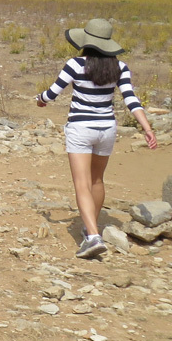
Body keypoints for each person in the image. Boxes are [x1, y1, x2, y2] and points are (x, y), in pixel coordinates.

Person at [36, 18, 157, 259]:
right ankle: (90, 227)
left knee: (81, 184)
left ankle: (92, 236)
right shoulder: (119, 67)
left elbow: (52, 93)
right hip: (107, 130)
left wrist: (39, 99)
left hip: (81, 128)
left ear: (86, 42)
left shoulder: (75, 64)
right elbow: (130, 99)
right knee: (97, 180)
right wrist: (147, 127)